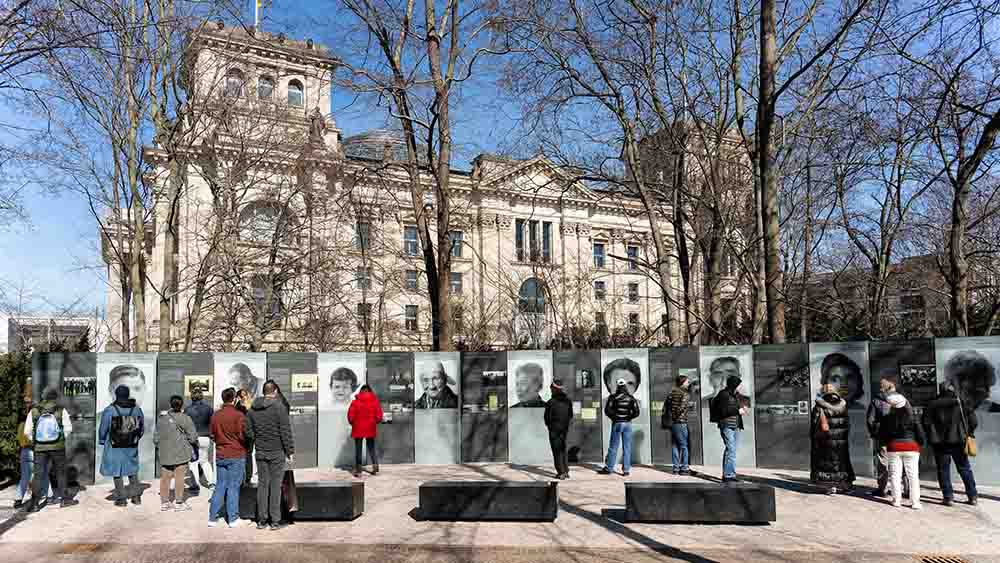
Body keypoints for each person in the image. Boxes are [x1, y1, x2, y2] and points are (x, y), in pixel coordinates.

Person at [246, 380, 294, 530]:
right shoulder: (279, 408)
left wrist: (258, 438)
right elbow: (285, 432)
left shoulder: (252, 409)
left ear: (263, 392)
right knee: (275, 486)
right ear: (274, 392)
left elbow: (247, 431)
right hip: (277, 452)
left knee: (262, 485)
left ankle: (261, 520)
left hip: (260, 451)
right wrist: (289, 451)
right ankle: (275, 521)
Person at [922, 381, 978, 506]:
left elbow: (925, 423)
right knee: (964, 468)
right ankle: (972, 496)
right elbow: (973, 421)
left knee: (943, 470)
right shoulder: (961, 402)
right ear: (953, 389)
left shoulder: (931, 404)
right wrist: (969, 432)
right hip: (959, 441)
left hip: (939, 443)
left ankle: (948, 497)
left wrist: (931, 436)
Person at [23, 388, 76, 511]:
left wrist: (36, 440)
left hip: (39, 448)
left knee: (38, 475)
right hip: (58, 447)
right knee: (61, 472)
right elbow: (68, 429)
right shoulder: (61, 410)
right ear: (55, 397)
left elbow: (26, 431)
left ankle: (34, 504)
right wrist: (60, 439)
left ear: (43, 397)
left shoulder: (34, 410)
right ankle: (65, 500)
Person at [99, 385, 145, 507]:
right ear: (128, 394)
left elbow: (103, 428)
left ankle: (121, 499)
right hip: (131, 445)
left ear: (116, 395)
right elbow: (141, 429)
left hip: (114, 445)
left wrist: (102, 439)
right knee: (132, 470)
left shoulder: (110, 410)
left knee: (117, 471)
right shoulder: (136, 409)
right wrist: (135, 438)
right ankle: (136, 497)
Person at [209, 387, 248, 528]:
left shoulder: (215, 415)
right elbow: (243, 435)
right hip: (236, 454)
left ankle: (212, 518)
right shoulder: (239, 415)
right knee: (233, 487)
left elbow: (212, 435)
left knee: (220, 486)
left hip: (221, 454)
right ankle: (233, 518)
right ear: (234, 398)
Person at [880, 390, 926, 510]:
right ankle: (915, 502)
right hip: (911, 447)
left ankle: (896, 500)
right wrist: (920, 443)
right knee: (913, 476)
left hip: (893, 447)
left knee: (895, 475)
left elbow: (883, 434)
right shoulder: (913, 416)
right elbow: (920, 433)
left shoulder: (887, 418)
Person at [810, 383, 855, 494]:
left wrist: (813, 437)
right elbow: (847, 423)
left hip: (825, 439)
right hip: (841, 439)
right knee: (842, 461)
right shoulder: (843, 404)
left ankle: (830, 487)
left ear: (823, 391)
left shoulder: (819, 405)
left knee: (827, 463)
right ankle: (846, 485)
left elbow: (815, 423)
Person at [155, 395, 198, 512]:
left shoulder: (162, 419)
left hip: (165, 452)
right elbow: (193, 437)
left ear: (171, 404)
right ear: (181, 405)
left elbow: (156, 437)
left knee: (165, 478)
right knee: (179, 478)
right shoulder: (185, 418)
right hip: (181, 452)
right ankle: (178, 502)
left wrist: (161, 447)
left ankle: (165, 502)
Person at [867, 377, 905, 498]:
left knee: (883, 463)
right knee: (901, 461)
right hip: (899, 436)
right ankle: (907, 489)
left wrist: (874, 433)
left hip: (882, 436)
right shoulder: (900, 400)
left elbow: (870, 420)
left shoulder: (876, 401)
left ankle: (882, 489)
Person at [597, 378, 640, 476]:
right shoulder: (631, 398)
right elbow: (636, 412)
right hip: (627, 424)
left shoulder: (613, 397)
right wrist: (628, 417)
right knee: (627, 447)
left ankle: (609, 468)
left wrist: (615, 417)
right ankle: (626, 470)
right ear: (625, 386)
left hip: (617, 423)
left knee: (613, 447)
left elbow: (607, 411)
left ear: (617, 386)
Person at [710, 374, 747, 483]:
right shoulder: (723, 395)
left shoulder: (735, 395)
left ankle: (731, 474)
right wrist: (738, 411)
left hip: (736, 426)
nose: (739, 387)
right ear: (734, 385)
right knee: (730, 449)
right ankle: (727, 475)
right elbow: (723, 411)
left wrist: (742, 407)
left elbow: (736, 406)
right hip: (726, 425)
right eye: (738, 385)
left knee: (733, 450)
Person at [347, 384, 384, 477]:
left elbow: (350, 416)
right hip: (370, 427)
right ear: (370, 391)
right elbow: (379, 416)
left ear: (361, 391)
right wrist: (374, 421)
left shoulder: (355, 402)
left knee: (358, 449)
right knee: (371, 448)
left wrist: (354, 423)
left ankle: (359, 470)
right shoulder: (375, 402)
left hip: (358, 428)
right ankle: (375, 467)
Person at [184, 390, 215, 495]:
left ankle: (195, 485)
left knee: (193, 462)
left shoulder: (187, 410)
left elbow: (185, 425)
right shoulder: (208, 409)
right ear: (202, 397)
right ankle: (211, 483)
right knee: (205, 461)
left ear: (191, 397)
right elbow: (212, 423)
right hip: (205, 437)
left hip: (192, 438)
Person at [543, 379, 573, 479]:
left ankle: (561, 472)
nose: (550, 390)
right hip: (564, 429)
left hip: (554, 430)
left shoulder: (551, 402)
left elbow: (547, 418)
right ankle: (566, 470)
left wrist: (550, 427)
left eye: (551, 388)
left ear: (555, 389)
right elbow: (570, 415)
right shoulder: (568, 401)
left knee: (557, 450)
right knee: (563, 449)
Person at [666, 375, 692, 475]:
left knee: (674, 445)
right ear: (682, 382)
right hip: (680, 422)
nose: (688, 383)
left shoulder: (671, 392)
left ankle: (676, 468)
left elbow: (667, 407)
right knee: (684, 446)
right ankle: (684, 468)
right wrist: (677, 416)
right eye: (687, 382)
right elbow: (681, 408)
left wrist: (671, 419)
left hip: (672, 423)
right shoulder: (685, 394)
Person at [14, 394, 33, 509]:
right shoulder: (33, 425)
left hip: (23, 451)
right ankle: (47, 497)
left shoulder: (21, 425)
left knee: (24, 477)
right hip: (32, 450)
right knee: (40, 475)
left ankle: (18, 499)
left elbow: (18, 439)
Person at [235, 388, 255, 484]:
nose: (244, 397)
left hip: (243, 434)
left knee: (244, 455)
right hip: (249, 434)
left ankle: (245, 477)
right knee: (248, 455)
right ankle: (247, 477)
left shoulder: (238, 407)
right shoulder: (251, 406)